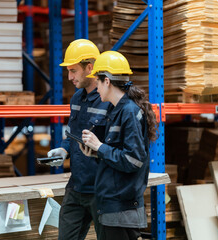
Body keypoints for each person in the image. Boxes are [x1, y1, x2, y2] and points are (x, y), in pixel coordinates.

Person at [79, 51, 158, 240]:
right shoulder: (117, 110)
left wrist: (100, 147)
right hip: (114, 207)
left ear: (106, 81)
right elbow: (121, 154)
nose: (96, 88)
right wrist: (96, 153)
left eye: (97, 82)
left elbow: (133, 160)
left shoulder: (129, 112)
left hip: (121, 209)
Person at [46, 39, 113, 240]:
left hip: (101, 189)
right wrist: (64, 150)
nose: (69, 77)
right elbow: (72, 134)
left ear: (90, 68)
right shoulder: (76, 99)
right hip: (76, 186)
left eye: (73, 71)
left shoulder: (109, 101)